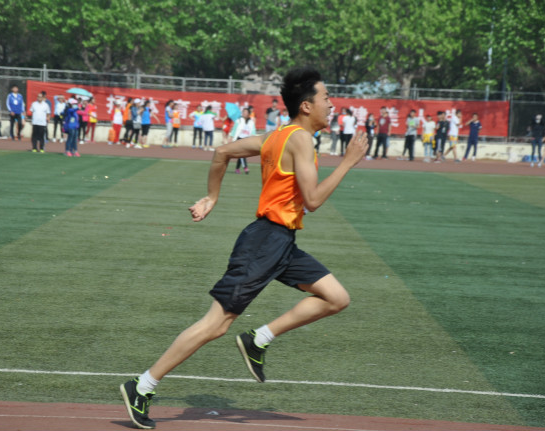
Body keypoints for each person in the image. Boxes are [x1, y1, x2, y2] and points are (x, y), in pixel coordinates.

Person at [119, 67, 369, 430]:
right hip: (265, 242)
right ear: (306, 106)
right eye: (326, 98)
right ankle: (142, 386)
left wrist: (212, 196)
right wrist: (347, 162)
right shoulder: (300, 139)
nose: (332, 105)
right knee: (216, 324)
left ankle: (258, 339)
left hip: (281, 242)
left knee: (336, 297)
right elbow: (313, 200)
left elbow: (223, 151)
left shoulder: (276, 136)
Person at [231, 107, 256, 174]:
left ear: (248, 114)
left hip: (247, 139)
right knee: (242, 153)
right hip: (239, 139)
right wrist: (231, 138)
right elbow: (234, 130)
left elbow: (253, 131)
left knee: (242, 154)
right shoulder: (239, 120)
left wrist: (253, 138)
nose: (244, 113)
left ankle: (237, 169)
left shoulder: (251, 122)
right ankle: (245, 167)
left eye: (246, 112)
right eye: (243, 112)